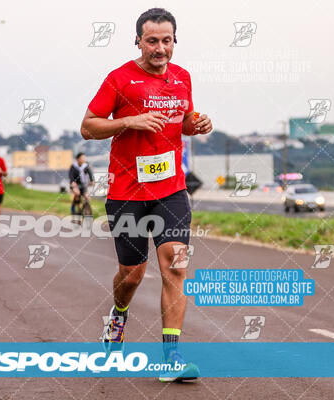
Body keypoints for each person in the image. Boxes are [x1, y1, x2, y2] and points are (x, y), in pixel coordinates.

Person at [80, 8, 213, 382]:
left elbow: (182, 121)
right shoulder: (120, 79)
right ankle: (118, 317)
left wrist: (196, 124)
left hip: (171, 189)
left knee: (175, 264)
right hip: (126, 192)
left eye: (166, 40)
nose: (160, 48)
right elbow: (88, 127)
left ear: (175, 41)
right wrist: (129, 121)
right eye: (152, 41)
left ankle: (171, 357)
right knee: (132, 274)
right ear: (138, 40)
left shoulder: (182, 78)